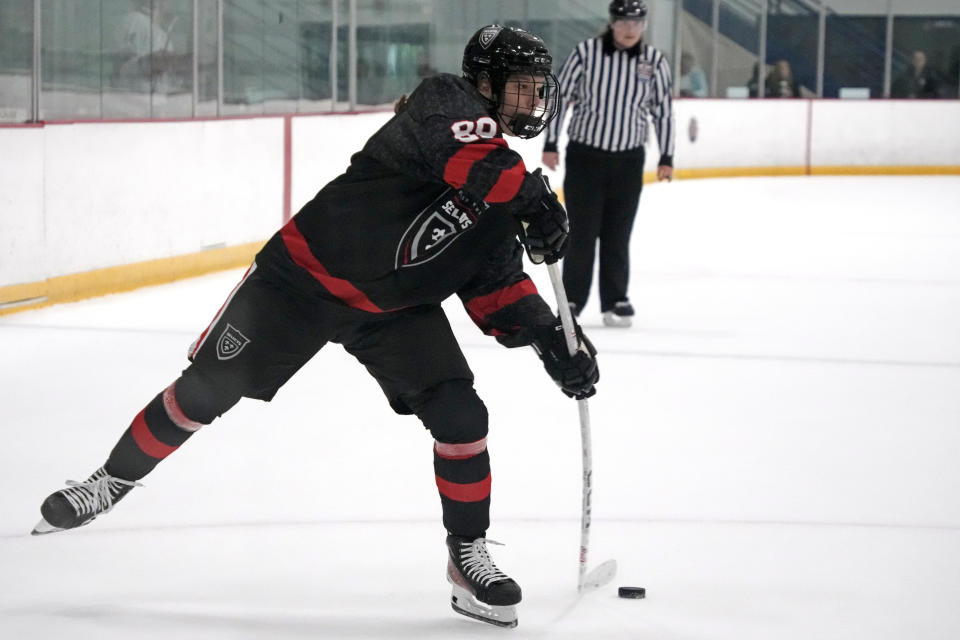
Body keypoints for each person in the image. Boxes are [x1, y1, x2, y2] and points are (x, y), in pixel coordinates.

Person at [31, 25, 599, 630]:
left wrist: (549, 340)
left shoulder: (507, 188)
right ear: (484, 83)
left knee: (462, 416)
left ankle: (467, 557)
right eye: (521, 89)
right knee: (202, 394)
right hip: (300, 281)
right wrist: (533, 197)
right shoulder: (443, 103)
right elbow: (470, 162)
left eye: (539, 90)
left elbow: (496, 289)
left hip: (392, 310)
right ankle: (108, 481)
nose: (533, 103)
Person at [542, 0, 675, 328]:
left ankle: (616, 299)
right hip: (586, 157)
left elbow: (663, 110)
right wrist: (550, 143)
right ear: (613, 22)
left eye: (637, 23)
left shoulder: (654, 61)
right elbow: (560, 96)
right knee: (582, 233)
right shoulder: (585, 53)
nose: (630, 29)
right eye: (624, 22)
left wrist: (666, 156)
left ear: (643, 25)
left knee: (618, 233)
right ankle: (571, 299)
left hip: (628, 161)